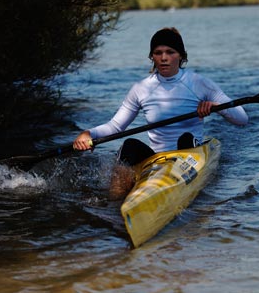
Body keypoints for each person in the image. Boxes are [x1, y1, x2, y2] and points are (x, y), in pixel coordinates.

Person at [73, 27, 248, 199]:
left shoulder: (198, 83)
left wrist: (215, 106)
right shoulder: (141, 89)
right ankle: (115, 204)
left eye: (170, 52)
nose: (164, 58)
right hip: (156, 159)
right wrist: (89, 133)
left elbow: (242, 118)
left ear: (181, 56)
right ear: (152, 57)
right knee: (128, 146)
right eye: (158, 52)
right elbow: (116, 126)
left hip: (190, 153)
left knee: (185, 138)